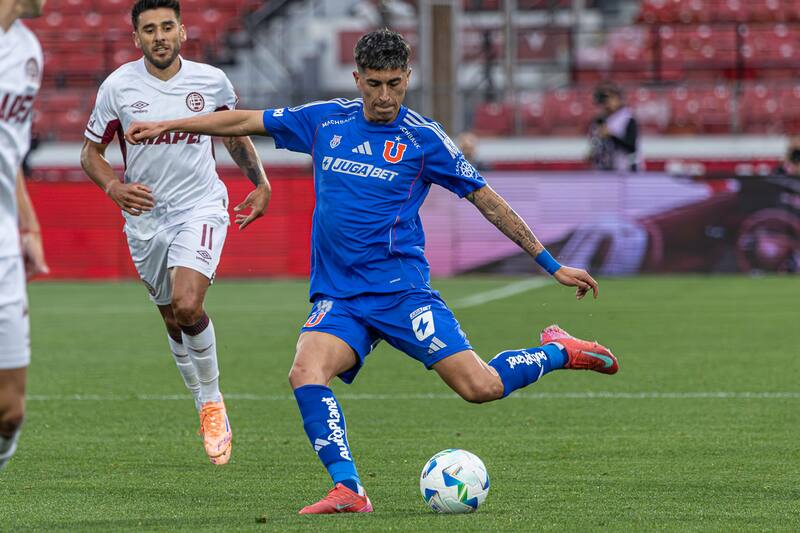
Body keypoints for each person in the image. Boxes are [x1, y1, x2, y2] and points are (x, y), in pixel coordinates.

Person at [126, 29, 619, 513]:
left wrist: (551, 264)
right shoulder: (324, 121)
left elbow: (487, 201)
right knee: (305, 372)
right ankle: (349, 490)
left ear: (407, 78)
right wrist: (170, 125)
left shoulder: (423, 140)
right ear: (358, 79)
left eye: (395, 84)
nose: (385, 96)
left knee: (480, 388)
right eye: (375, 84)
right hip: (340, 298)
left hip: (402, 294)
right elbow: (244, 120)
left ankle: (559, 350)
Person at [80, 0, 271, 466]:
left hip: (201, 207)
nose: (160, 36)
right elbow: (90, 153)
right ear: (136, 38)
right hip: (145, 219)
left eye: (167, 26)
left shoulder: (210, 81)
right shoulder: (119, 87)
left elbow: (234, 133)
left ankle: (211, 401)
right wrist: (113, 187)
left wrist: (260, 183)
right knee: (171, 319)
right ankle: (198, 397)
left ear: (183, 31)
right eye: (150, 30)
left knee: (189, 305)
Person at [0, 0, 49, 470]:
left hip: (3, 248)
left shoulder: (29, 50)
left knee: (10, 414)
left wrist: (28, 224)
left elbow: (7, 155)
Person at [588, 82, 642, 172]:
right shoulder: (599, 121)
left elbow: (631, 147)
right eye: (603, 99)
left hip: (625, 170)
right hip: (604, 170)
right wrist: (593, 154)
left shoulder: (628, 118)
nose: (606, 102)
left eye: (610, 98)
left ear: (619, 99)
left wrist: (611, 136)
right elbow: (597, 144)